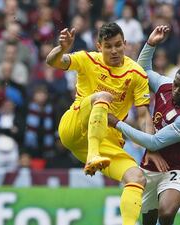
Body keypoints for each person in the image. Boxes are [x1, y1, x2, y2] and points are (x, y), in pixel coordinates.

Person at [46, 22, 152, 225]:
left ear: (125, 44)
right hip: (74, 127)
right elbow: (53, 62)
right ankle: (92, 155)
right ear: (99, 46)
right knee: (103, 96)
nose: (114, 50)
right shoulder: (87, 59)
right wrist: (61, 48)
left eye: (118, 45)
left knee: (137, 178)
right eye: (109, 46)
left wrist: (151, 146)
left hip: (107, 142)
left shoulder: (136, 74)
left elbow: (143, 115)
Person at [108, 25, 180, 225]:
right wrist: (151, 43)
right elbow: (143, 70)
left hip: (176, 168)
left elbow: (154, 141)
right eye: (176, 83)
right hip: (151, 165)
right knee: (148, 220)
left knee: (166, 214)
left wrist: (117, 123)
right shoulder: (165, 85)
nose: (176, 90)